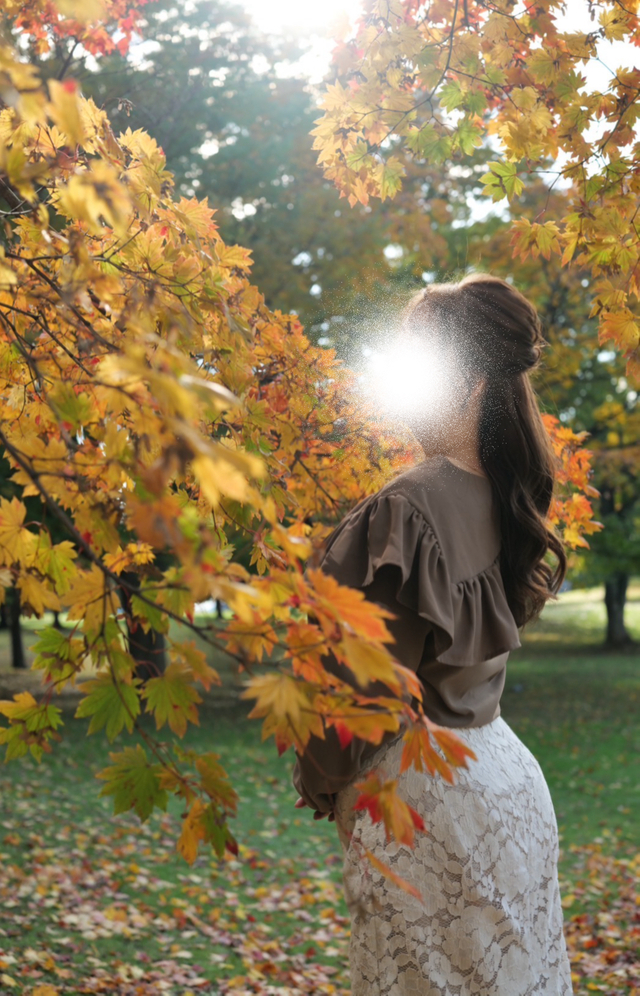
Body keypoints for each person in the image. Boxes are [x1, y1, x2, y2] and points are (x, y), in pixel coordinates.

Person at [291, 273, 574, 995]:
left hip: (429, 806)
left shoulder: (409, 504)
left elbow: (361, 696)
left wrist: (320, 783)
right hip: (507, 787)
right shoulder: (504, 495)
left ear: (470, 383)